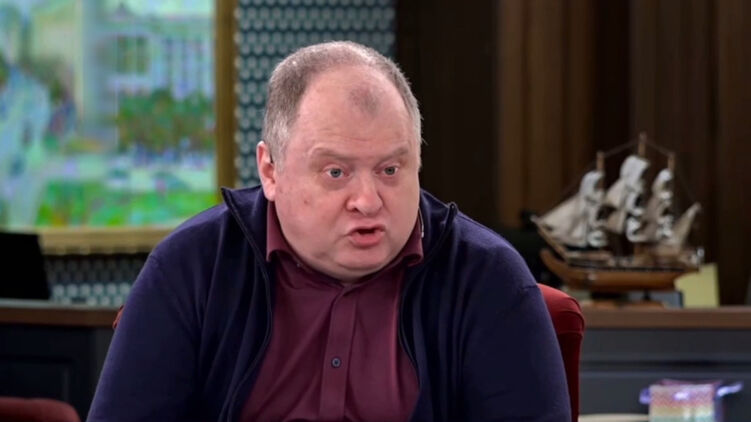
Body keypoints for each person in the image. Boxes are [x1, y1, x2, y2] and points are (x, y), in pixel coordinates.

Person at [88, 41, 570, 422]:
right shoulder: (192, 267)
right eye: (336, 172)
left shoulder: (488, 280)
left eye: (390, 170)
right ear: (270, 170)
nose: (368, 200)